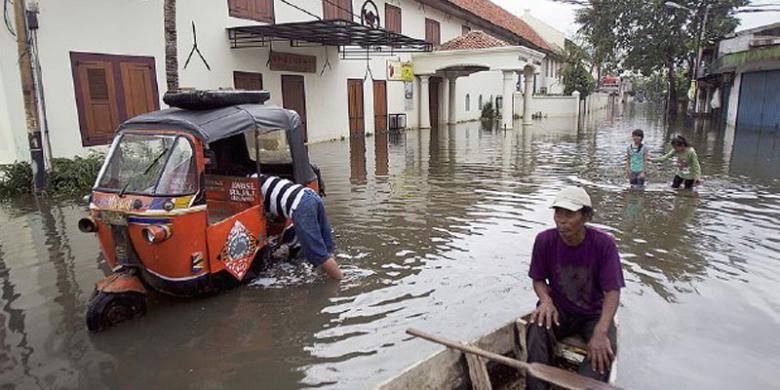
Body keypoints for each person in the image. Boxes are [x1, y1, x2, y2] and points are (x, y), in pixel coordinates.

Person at [526, 187, 624, 390]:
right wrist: (546, 300)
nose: (561, 220)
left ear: (585, 216)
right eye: (558, 213)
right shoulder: (544, 240)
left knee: (605, 349)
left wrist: (601, 330)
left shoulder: (604, 244)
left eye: (569, 214)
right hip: (559, 309)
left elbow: (613, 291)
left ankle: (581, 386)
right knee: (536, 327)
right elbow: (538, 279)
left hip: (593, 314)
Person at [253, 174, 343, 280]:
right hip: (311, 195)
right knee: (325, 247)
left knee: (318, 254)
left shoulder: (251, 185)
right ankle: (327, 275)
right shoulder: (261, 177)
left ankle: (341, 282)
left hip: (301, 205)